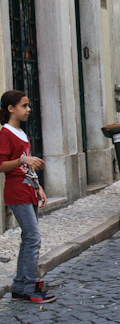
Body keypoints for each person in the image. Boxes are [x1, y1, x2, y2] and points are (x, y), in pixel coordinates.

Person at [0, 90, 57, 303]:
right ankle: (30, 286)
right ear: (11, 109)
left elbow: (28, 167)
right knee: (33, 237)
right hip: (16, 192)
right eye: (24, 106)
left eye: (28, 106)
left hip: (28, 189)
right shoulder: (5, 134)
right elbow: (2, 165)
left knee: (28, 238)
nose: (28, 109)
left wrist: (39, 187)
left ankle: (21, 286)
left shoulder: (21, 133)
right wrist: (23, 160)